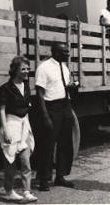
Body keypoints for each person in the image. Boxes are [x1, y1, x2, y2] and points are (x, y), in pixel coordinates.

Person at [35, 42, 75, 191]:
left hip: (66, 106)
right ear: (56, 52)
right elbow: (39, 94)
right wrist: (45, 116)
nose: (68, 54)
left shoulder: (64, 67)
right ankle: (44, 179)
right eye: (64, 52)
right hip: (52, 108)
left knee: (65, 143)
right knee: (48, 145)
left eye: (67, 51)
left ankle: (60, 176)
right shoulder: (44, 68)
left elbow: (63, 87)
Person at [0, 56, 38, 202]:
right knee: (10, 162)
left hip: (24, 125)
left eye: (28, 68)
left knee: (26, 160)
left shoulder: (26, 85)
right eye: (23, 69)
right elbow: (2, 110)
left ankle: (27, 191)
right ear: (15, 70)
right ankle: (9, 191)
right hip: (11, 125)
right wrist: (5, 130)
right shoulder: (5, 89)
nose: (27, 71)